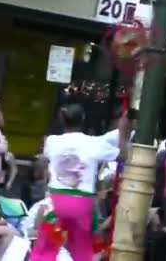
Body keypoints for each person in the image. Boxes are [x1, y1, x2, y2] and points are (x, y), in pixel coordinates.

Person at [30, 104, 132, 261]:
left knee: (46, 252)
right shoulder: (94, 144)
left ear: (61, 120)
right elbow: (123, 155)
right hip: (82, 205)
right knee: (84, 253)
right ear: (83, 119)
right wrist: (124, 132)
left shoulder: (52, 141)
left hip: (56, 205)